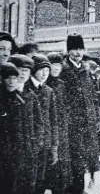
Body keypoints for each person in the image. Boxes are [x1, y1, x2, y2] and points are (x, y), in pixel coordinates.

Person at [60, 33, 100, 194]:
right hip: (71, 124)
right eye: (74, 49)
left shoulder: (86, 70)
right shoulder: (63, 70)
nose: (77, 53)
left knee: (84, 158)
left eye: (80, 49)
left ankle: (79, 188)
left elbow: (92, 96)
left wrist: (97, 118)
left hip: (87, 123)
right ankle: (72, 189)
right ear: (68, 51)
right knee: (72, 160)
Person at [0, 61, 43, 194]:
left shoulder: (23, 98)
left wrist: (35, 143)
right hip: (6, 153)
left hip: (25, 151)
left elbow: (38, 122)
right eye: (8, 78)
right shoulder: (3, 99)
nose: (12, 81)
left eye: (14, 78)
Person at [28, 54, 59, 194]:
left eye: (47, 70)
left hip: (44, 145)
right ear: (34, 70)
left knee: (41, 181)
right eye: (41, 70)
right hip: (29, 144)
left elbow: (53, 120)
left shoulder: (49, 91)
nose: (45, 73)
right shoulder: (26, 89)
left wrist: (54, 146)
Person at [46, 52, 72, 194]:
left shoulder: (62, 84)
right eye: (53, 65)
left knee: (62, 168)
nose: (56, 68)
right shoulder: (44, 83)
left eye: (58, 65)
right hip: (49, 130)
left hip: (62, 129)